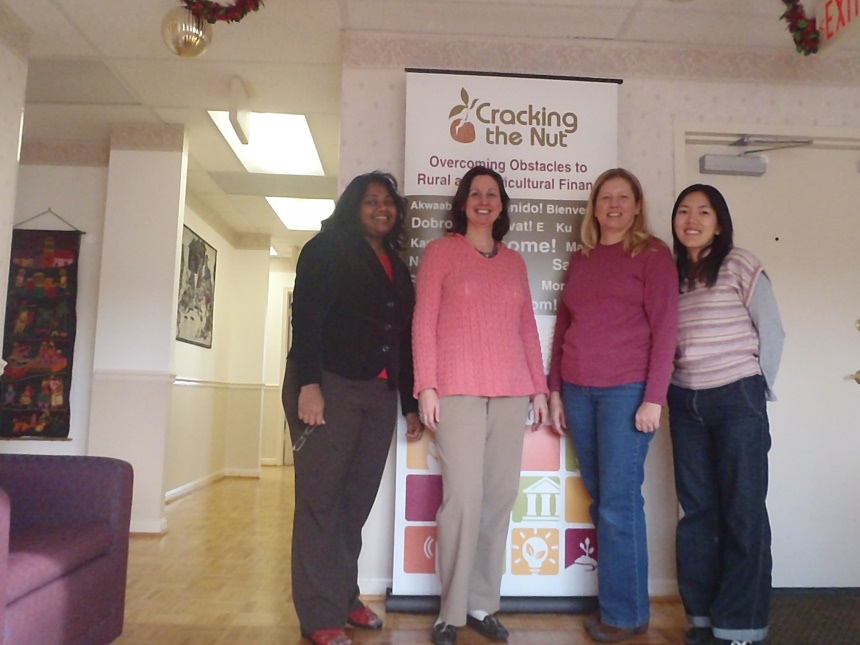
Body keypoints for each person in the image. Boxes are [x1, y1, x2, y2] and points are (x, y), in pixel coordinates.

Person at [412, 165, 552, 645]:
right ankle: (448, 613)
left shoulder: (514, 263)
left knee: (497, 501)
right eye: (476, 193)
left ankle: (481, 604)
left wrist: (540, 386)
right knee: (464, 501)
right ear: (463, 202)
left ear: (501, 204)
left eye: (492, 194)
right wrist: (426, 384)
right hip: (457, 391)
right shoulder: (440, 253)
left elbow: (527, 330)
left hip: (512, 392)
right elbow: (423, 321)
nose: (484, 200)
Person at [282, 171, 422, 645]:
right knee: (321, 502)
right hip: (328, 388)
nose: (382, 208)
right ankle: (319, 614)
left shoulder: (396, 268)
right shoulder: (324, 250)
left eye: (389, 202)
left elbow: (401, 339)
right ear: (352, 207)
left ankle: (343, 596)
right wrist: (308, 385)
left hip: (379, 396)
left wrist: (409, 404)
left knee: (354, 503)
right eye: (371, 201)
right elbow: (306, 319)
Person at [548, 168, 679, 643]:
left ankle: (622, 617)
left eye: (623, 197)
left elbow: (666, 331)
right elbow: (564, 328)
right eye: (606, 198)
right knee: (607, 502)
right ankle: (626, 609)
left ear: (637, 205)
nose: (614, 205)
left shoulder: (653, 256)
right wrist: (556, 390)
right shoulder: (582, 258)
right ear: (595, 206)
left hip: (628, 393)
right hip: (580, 391)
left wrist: (654, 399)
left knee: (619, 505)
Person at [668, 184, 784, 645]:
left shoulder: (740, 263)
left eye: (704, 211)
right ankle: (702, 618)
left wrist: (758, 387)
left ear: (719, 222)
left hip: (738, 400)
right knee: (696, 515)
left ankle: (741, 627)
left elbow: (771, 330)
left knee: (743, 514)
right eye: (683, 211)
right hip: (685, 402)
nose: (691, 219)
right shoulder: (671, 274)